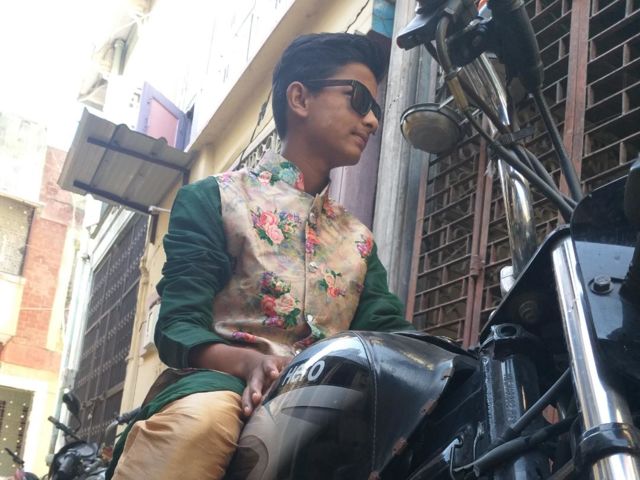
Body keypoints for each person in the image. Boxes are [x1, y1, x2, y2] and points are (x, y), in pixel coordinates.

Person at [107, 32, 413, 480]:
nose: (370, 121)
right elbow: (177, 327)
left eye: (376, 110)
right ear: (300, 98)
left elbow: (387, 334)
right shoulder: (214, 199)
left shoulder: (358, 240)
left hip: (328, 408)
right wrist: (251, 363)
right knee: (202, 425)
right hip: (222, 389)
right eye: (359, 100)